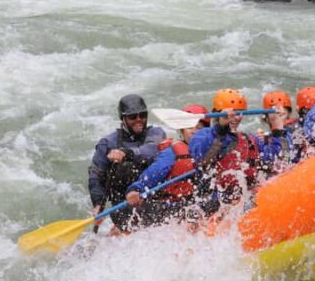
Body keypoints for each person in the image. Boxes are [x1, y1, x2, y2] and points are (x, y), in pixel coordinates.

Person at [189, 89, 287, 217]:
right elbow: (202, 157)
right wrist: (221, 128)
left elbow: (275, 161)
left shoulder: (249, 139)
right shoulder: (202, 136)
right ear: (216, 113)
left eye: (239, 113)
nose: (236, 117)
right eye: (231, 113)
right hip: (217, 206)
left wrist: (277, 127)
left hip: (246, 200)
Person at [88, 94, 166, 232]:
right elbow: (96, 176)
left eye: (142, 115)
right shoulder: (107, 144)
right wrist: (98, 204)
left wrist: (126, 153)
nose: (139, 120)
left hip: (153, 203)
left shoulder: (156, 133)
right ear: (123, 118)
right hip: (123, 209)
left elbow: (151, 149)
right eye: (132, 117)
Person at [123, 104, 209, 229]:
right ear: (182, 130)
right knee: (193, 213)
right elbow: (152, 174)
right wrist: (135, 189)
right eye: (190, 127)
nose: (195, 131)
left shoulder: (213, 151)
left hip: (198, 204)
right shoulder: (172, 153)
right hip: (170, 206)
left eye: (199, 127)